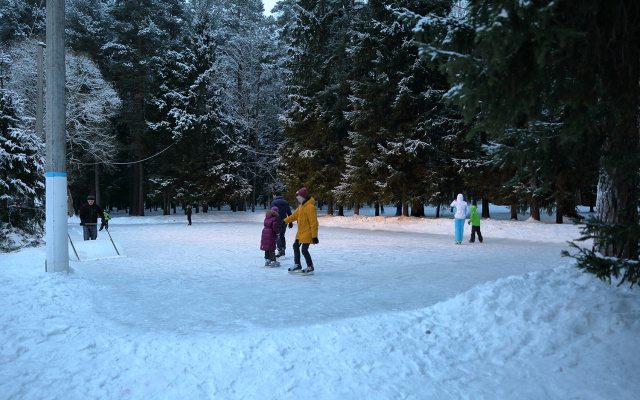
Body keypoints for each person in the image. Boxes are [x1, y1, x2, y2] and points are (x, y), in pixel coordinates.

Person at [283, 187, 319, 275]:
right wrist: (285, 221)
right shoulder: (301, 206)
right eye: (297, 199)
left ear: (304, 197)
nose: (298, 200)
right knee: (295, 246)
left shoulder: (310, 207)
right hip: (301, 232)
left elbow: (314, 222)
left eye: (299, 198)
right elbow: (294, 216)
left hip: (308, 232)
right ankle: (297, 265)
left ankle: (310, 267)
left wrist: (314, 236)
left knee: (304, 250)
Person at [270, 191, 292, 258]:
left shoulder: (274, 202)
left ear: (275, 195)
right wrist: (290, 222)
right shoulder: (285, 202)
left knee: (277, 235)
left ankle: (280, 249)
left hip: (277, 221)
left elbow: (271, 212)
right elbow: (289, 212)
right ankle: (283, 249)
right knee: (282, 235)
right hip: (284, 221)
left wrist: (270, 221)